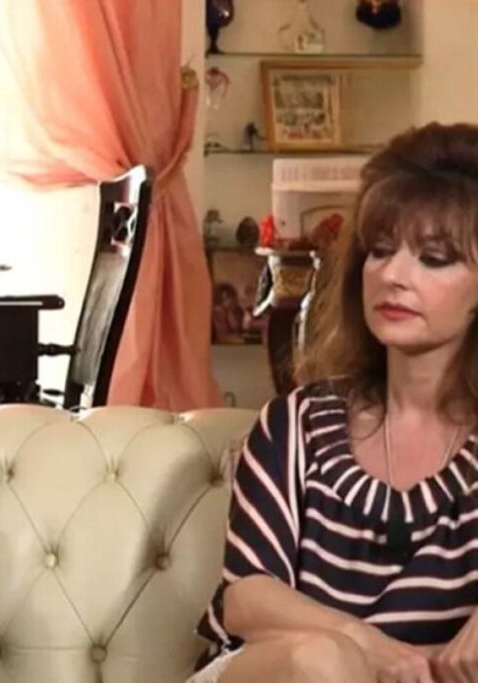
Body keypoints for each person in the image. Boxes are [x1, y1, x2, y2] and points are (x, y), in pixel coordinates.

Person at [190, 122, 478, 683]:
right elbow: (246, 600)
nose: (392, 276)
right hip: (274, 672)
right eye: (380, 251)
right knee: (323, 661)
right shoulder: (298, 422)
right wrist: (372, 649)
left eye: (433, 258)